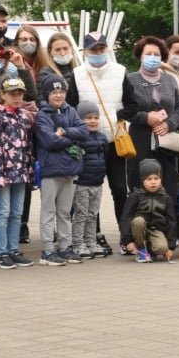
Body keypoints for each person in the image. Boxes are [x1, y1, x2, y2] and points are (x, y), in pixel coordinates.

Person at [73, 32, 127, 255]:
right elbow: (70, 106)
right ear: (85, 51)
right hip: (87, 144)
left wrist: (117, 117)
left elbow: (132, 104)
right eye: (92, 49)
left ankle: (126, 236)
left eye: (101, 48)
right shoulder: (77, 75)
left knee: (120, 189)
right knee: (87, 193)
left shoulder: (120, 71)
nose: (97, 53)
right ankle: (91, 237)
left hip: (113, 140)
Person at [120, 36, 179, 204]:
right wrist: (145, 117)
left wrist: (169, 124)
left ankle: (167, 222)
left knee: (169, 181)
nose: (152, 57)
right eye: (148, 53)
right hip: (139, 138)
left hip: (167, 140)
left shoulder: (169, 79)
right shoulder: (130, 79)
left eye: (156, 54)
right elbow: (124, 109)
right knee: (138, 179)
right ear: (140, 56)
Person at [35, 76, 89, 267]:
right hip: (51, 170)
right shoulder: (42, 115)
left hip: (71, 169)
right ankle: (48, 250)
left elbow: (84, 132)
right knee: (49, 211)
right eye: (54, 92)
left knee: (65, 211)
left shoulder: (70, 110)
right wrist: (72, 137)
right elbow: (49, 141)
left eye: (61, 92)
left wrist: (64, 132)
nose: (58, 95)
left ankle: (65, 247)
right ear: (47, 95)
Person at [0, 77, 37, 269]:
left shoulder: (24, 116)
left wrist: (30, 169)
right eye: (12, 94)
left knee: (17, 212)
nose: (16, 98)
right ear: (2, 95)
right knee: (3, 211)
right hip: (3, 172)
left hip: (21, 171)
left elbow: (28, 146)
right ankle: (1, 252)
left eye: (19, 94)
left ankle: (14, 249)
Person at [70, 101, 109, 262]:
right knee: (81, 214)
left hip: (97, 182)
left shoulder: (102, 138)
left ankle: (91, 242)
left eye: (95, 117)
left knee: (93, 214)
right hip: (81, 183)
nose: (93, 121)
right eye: (88, 118)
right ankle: (78, 243)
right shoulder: (78, 138)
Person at [120, 158, 177, 263]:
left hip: (156, 230)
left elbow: (172, 222)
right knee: (138, 221)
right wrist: (127, 241)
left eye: (156, 178)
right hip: (139, 229)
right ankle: (141, 249)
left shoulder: (166, 198)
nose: (153, 182)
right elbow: (125, 218)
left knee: (162, 248)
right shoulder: (135, 196)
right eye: (149, 179)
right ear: (142, 180)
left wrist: (171, 246)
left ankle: (150, 251)